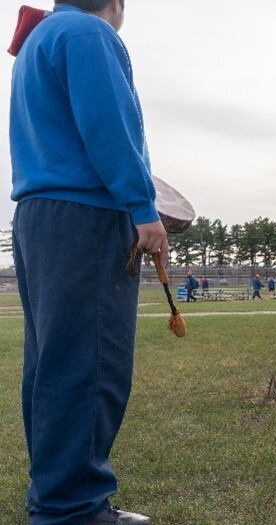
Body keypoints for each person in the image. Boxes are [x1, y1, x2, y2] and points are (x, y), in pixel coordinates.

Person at [9, 1, 167, 523]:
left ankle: (55, 497)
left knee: (55, 364)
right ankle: (72, 509)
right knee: (90, 362)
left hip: (40, 214)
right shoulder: (88, 33)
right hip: (86, 216)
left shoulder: (39, 39)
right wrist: (143, 208)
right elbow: (108, 124)